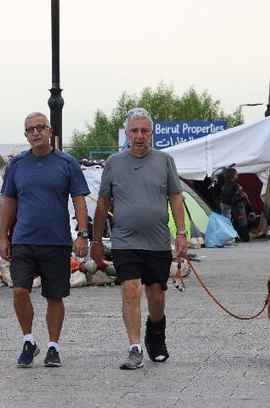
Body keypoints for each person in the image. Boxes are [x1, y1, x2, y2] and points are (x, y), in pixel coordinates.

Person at [91, 108, 188, 370]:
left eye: (144, 131)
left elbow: (176, 197)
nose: (139, 136)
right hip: (125, 241)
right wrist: (96, 240)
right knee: (130, 289)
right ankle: (135, 347)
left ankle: (156, 333)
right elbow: (102, 203)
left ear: (152, 134)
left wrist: (181, 233)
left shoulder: (165, 160)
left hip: (157, 241)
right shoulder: (114, 162)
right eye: (134, 131)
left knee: (156, 296)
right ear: (127, 134)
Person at [0, 112, 91, 368]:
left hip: (57, 241)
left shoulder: (66, 162)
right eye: (30, 129)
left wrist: (82, 235)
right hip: (24, 241)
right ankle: (29, 340)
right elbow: (9, 201)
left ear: (50, 131)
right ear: (25, 135)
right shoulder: (17, 165)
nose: (36, 132)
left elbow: (79, 199)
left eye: (40, 127)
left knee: (54, 296)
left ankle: (53, 346)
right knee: (19, 290)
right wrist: (3, 237)